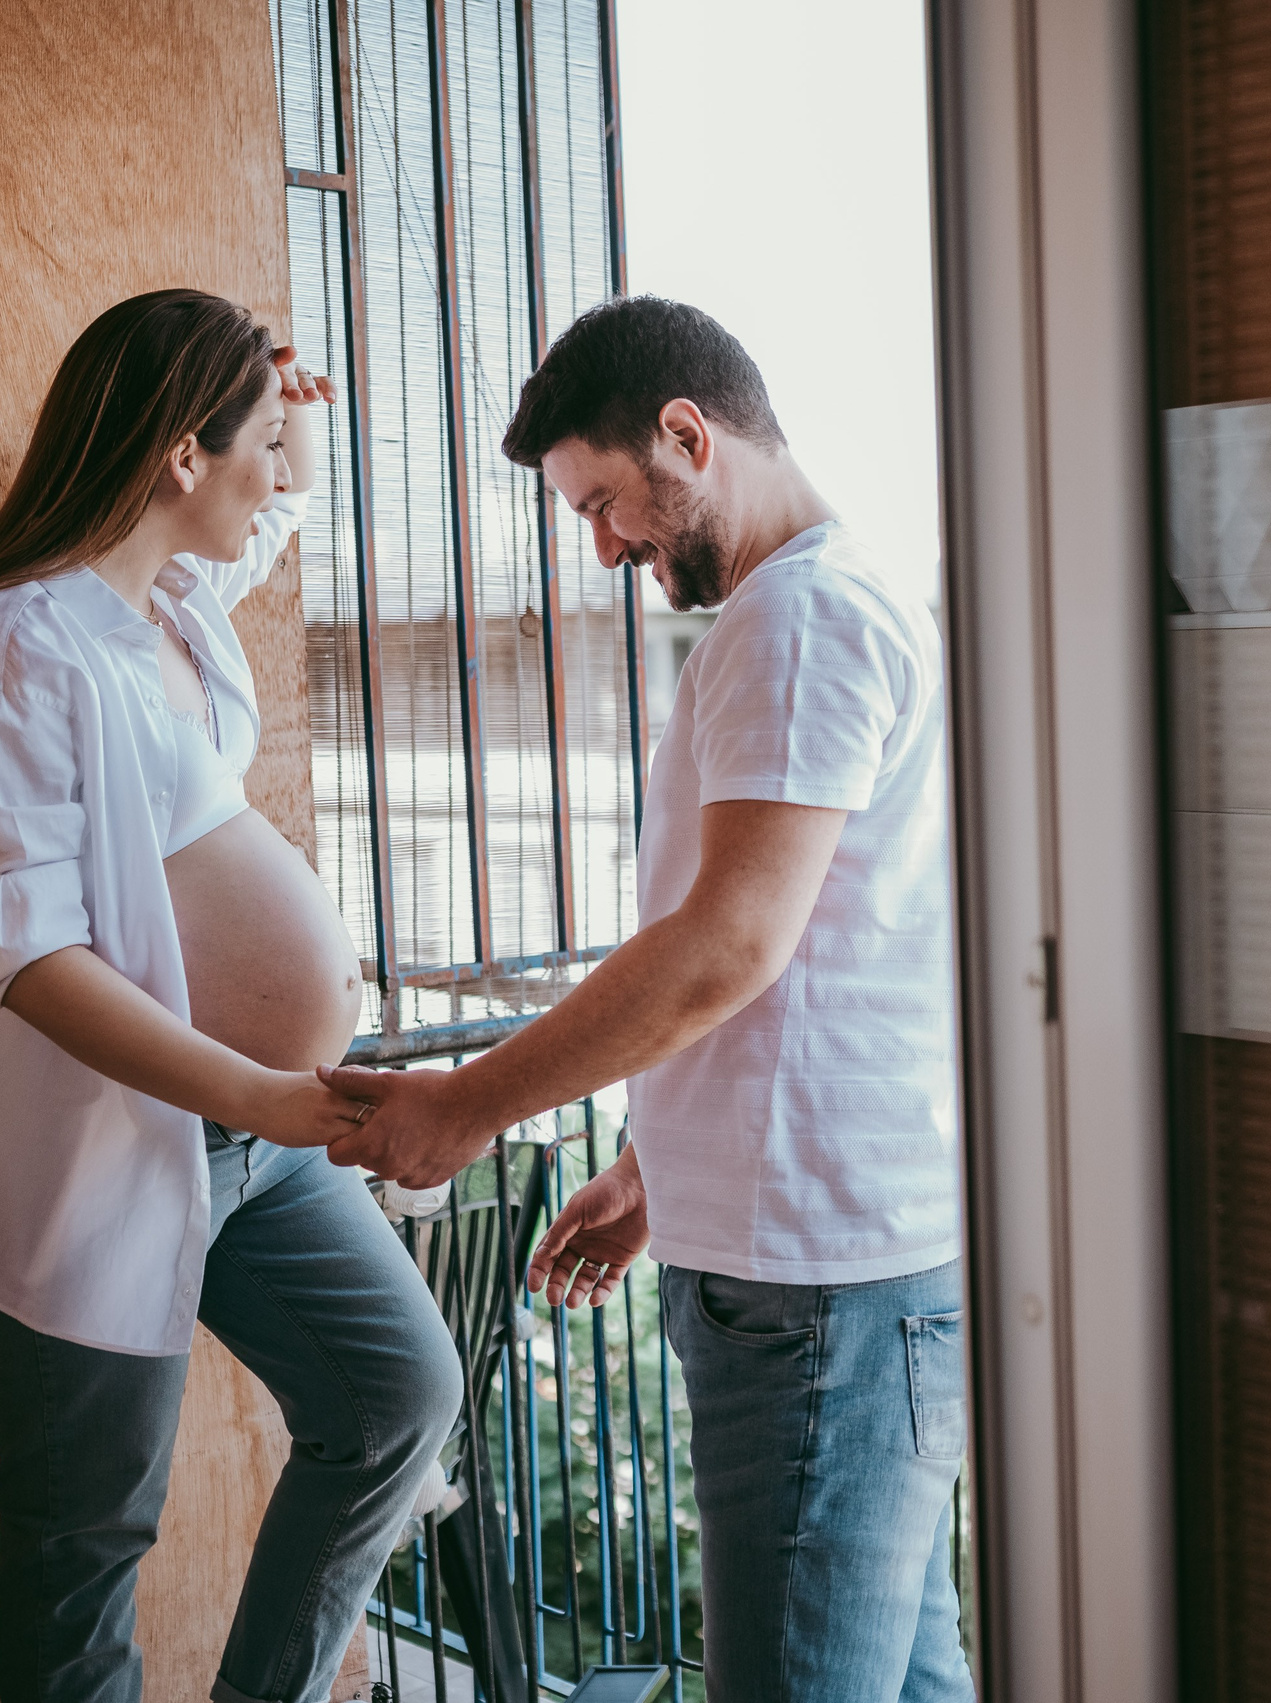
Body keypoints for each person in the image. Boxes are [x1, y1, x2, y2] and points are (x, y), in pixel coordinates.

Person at [319, 296, 971, 1702]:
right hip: (848, 1269)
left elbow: (729, 945)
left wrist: (469, 1106)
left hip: (817, 1293)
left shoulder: (798, 618)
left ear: (688, 434)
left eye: (604, 502)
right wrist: (655, 1161)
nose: (606, 548)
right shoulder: (838, 599)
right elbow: (821, 956)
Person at [0, 289, 463, 1703]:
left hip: (255, 1147)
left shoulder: (174, 608)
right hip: (106, 1151)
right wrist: (261, 1089)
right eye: (256, 443)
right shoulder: (8, 653)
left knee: (397, 1395)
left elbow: (263, 519)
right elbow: (33, 961)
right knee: (88, 1535)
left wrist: (292, 426)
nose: (277, 473)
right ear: (179, 455)